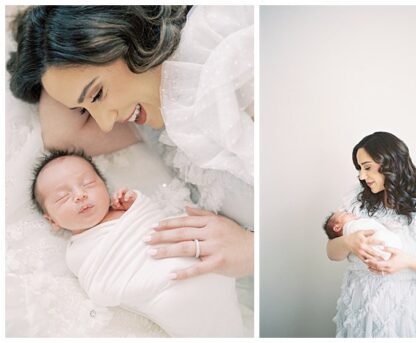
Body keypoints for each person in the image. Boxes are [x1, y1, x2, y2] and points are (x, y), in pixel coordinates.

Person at [7, 5, 254, 281]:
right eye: (85, 110)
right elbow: (60, 137)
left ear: (122, 35)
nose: (105, 123)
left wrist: (253, 251)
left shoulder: (220, 52)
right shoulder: (154, 121)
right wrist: (42, 35)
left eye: (98, 94)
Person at [31, 150, 244, 337]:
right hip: (165, 293)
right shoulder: (76, 252)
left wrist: (137, 203)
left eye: (88, 183)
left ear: (105, 186)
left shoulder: (129, 210)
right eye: (62, 197)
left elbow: (156, 219)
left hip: (206, 263)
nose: (80, 195)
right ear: (52, 220)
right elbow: (99, 286)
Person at [325, 132, 416, 337]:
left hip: (409, 314)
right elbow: (332, 252)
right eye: (360, 169)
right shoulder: (354, 202)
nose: (362, 176)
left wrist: (407, 261)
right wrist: (349, 242)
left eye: (367, 167)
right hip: (360, 311)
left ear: (390, 163)